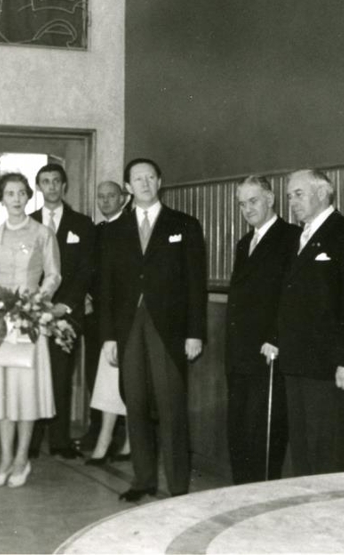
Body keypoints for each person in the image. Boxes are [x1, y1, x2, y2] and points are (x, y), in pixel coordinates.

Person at [100, 158, 207, 501]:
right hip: (129, 326)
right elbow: (106, 287)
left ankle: (177, 487)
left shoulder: (184, 225)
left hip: (169, 329)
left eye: (150, 177)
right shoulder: (113, 230)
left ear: (159, 182)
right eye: (137, 179)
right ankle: (143, 479)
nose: (144, 183)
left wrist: (195, 332)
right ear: (127, 187)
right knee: (135, 402)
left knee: (171, 405)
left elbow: (195, 283)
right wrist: (108, 336)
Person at [278, 169, 344, 477]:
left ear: (323, 192)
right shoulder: (299, 238)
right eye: (290, 196)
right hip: (297, 363)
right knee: (303, 451)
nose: (292, 202)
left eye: (299, 194)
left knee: (329, 453)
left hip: (330, 368)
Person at [0, 173, 62, 489]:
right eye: (10, 193)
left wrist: (36, 301)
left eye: (21, 193)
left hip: (29, 319)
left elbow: (54, 274)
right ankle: (6, 458)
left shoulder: (43, 233)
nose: (16, 199)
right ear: (2, 199)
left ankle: (22, 458)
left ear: (28, 196)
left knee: (26, 390)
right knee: (2, 390)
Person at [225, 175, 297, 484]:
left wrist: (276, 337)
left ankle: (261, 493)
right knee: (240, 428)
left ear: (270, 199)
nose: (247, 209)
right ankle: (242, 491)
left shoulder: (291, 237)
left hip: (269, 351)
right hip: (240, 352)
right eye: (242, 204)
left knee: (265, 431)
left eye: (253, 201)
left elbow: (292, 296)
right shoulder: (245, 243)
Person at [28, 163, 96, 460]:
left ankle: (59, 440)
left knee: (60, 376)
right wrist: (35, 304)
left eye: (56, 181)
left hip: (66, 312)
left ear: (64, 185)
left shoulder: (82, 224)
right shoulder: (28, 222)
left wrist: (65, 305)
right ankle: (30, 440)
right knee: (31, 377)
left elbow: (86, 269)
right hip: (31, 312)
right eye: (46, 181)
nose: (52, 186)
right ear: (39, 187)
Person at [82, 180, 131, 456]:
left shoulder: (130, 227)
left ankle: (122, 435)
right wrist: (87, 296)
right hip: (95, 314)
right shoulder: (97, 230)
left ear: (123, 198)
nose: (105, 201)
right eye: (100, 197)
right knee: (96, 373)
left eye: (111, 196)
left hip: (120, 313)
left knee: (121, 374)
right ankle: (99, 429)